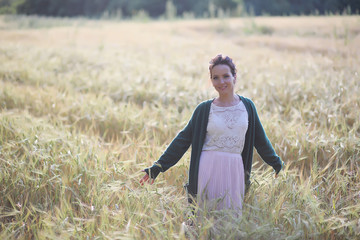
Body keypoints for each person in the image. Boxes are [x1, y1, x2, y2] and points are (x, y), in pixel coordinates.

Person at [140, 54, 284, 213]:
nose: (221, 82)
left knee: (230, 221)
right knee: (204, 218)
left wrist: (277, 164)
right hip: (207, 168)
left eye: (225, 76)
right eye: (216, 78)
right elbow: (182, 140)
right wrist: (157, 168)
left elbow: (261, 140)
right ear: (211, 80)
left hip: (235, 170)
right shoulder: (204, 109)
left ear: (234, 77)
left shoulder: (247, 106)